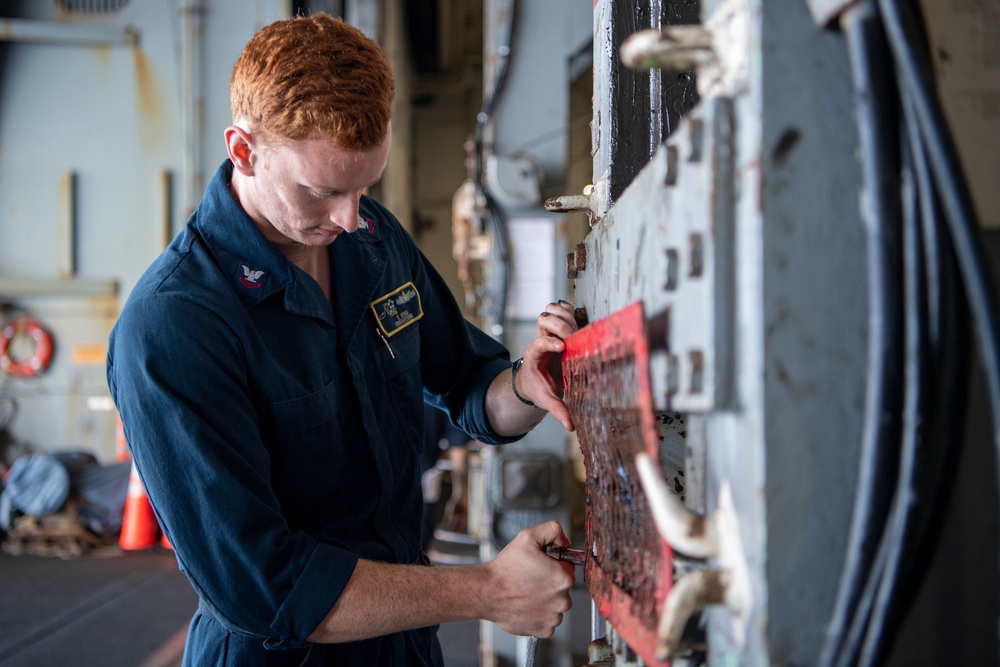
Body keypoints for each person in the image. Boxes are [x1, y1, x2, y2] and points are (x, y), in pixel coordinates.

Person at [106, 13, 580, 667]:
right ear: (243, 150)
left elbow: (469, 386)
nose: (350, 216)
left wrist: (530, 382)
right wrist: (489, 590)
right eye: (323, 190)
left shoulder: (372, 242)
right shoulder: (172, 327)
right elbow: (268, 587)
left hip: (404, 644)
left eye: (365, 186)